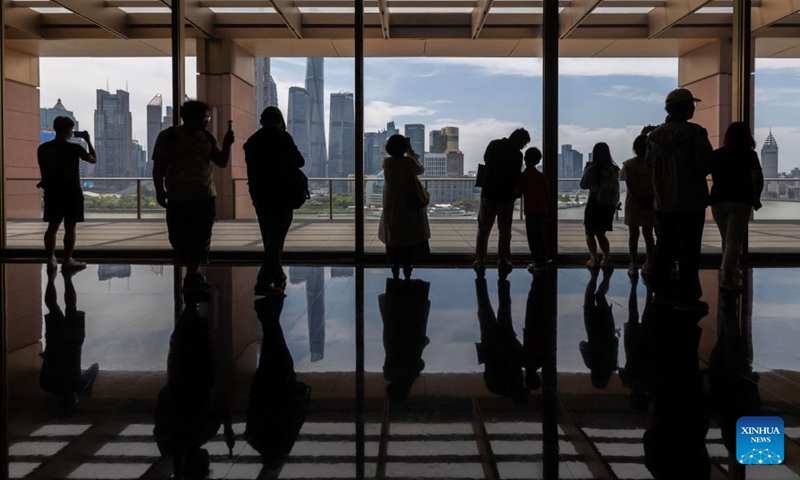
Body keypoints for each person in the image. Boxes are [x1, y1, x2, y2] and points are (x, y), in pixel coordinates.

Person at [152, 100, 234, 294]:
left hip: (203, 195)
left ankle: (191, 274)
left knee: (201, 236)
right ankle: (192, 272)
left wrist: (227, 145)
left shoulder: (207, 137)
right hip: (180, 195)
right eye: (204, 118)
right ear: (189, 118)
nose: (207, 121)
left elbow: (221, 162)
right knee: (179, 237)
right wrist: (159, 190)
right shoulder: (169, 136)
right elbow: (158, 167)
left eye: (207, 118)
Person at [646, 88, 713, 312]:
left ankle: (661, 293)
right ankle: (688, 297)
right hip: (690, 202)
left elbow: (649, 166)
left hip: (663, 202)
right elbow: (705, 165)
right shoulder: (696, 134)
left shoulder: (654, 137)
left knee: (663, 249)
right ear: (685, 107)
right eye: (692, 104)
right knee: (689, 251)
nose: (694, 108)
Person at [244, 106, 305, 296]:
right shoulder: (283, 138)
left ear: (262, 121)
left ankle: (279, 277)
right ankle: (263, 282)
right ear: (280, 121)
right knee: (276, 239)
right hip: (282, 195)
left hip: (260, 195)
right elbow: (300, 161)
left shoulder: (252, 142)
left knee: (270, 238)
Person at [37, 116, 97, 272]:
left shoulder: (43, 149)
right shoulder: (75, 148)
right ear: (69, 130)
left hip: (52, 192)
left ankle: (50, 258)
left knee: (52, 227)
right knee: (70, 228)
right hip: (71, 192)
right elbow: (93, 160)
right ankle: (67, 260)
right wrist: (88, 140)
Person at [710, 122, 764, 290]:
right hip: (741, 201)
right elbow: (757, 178)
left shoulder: (717, 154)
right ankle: (727, 277)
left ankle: (731, 270)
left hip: (718, 201)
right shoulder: (749, 155)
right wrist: (756, 198)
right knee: (734, 241)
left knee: (726, 239)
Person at [474, 128, 531, 277]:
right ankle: (503, 260)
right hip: (506, 195)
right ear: (519, 140)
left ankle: (480, 260)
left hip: (488, 192)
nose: (523, 147)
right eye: (524, 143)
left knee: (483, 228)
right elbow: (516, 175)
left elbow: (486, 160)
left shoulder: (493, 145)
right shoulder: (517, 155)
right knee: (505, 230)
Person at [378, 134, 431, 280]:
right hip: (409, 200)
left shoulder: (387, 162)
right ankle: (408, 264)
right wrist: (412, 153)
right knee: (410, 231)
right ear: (405, 147)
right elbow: (420, 170)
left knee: (394, 230)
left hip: (392, 200)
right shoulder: (409, 161)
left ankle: (394, 264)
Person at [620, 131, 657, 277]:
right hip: (651, 202)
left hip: (634, 203)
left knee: (633, 234)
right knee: (649, 234)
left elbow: (629, 185)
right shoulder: (655, 164)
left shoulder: (629, 164)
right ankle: (649, 263)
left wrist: (639, 197)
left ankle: (633, 263)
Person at [580, 142, 620, 269]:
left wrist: (586, 170)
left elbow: (583, 185)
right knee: (601, 234)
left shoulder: (593, 168)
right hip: (608, 205)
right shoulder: (614, 169)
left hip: (595, 202)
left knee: (589, 232)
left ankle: (594, 258)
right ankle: (607, 259)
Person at [517, 147, 549, 273]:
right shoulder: (541, 176)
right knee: (541, 237)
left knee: (532, 238)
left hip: (531, 211)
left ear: (525, 159)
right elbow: (546, 193)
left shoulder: (524, 176)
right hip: (542, 210)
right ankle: (543, 261)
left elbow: (519, 193)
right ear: (538, 161)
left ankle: (537, 262)